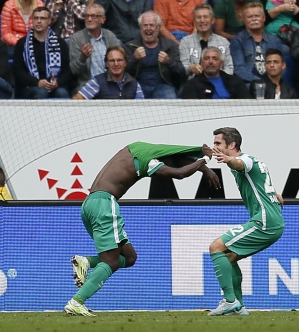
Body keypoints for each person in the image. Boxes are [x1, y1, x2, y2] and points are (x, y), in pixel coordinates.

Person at [64, 141, 220, 316]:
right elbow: (178, 172)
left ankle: (86, 262)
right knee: (111, 261)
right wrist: (205, 159)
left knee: (129, 257)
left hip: (90, 204)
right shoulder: (150, 161)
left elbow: (176, 159)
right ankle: (77, 301)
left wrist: (203, 169)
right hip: (105, 205)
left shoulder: (135, 149)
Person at [208, 127, 284, 316]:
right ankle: (238, 307)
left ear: (232, 145)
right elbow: (279, 197)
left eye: (218, 143)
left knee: (215, 247)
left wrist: (229, 160)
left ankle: (229, 301)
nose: (215, 147)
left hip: (264, 222)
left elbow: (239, 163)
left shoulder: (245, 160)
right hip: (272, 221)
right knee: (229, 258)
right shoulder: (257, 162)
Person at [13, 6, 72, 99]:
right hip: (30, 86)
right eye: (36, 18)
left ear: (49, 21)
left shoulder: (60, 43)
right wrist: (37, 82)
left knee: (62, 93)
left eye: (42, 18)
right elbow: (18, 72)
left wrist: (57, 83)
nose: (39, 21)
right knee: (42, 92)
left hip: (55, 85)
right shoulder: (22, 43)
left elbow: (67, 71)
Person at [125, 11, 185, 99]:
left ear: (158, 28)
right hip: (138, 85)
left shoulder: (170, 45)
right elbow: (122, 71)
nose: (148, 28)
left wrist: (168, 61)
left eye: (152, 25)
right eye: (145, 25)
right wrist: (134, 58)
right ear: (140, 27)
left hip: (163, 86)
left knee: (171, 102)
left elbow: (181, 72)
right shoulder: (130, 46)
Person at [68, 4, 121, 93]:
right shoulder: (76, 38)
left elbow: (120, 62)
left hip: (110, 83)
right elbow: (73, 70)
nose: (89, 19)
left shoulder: (110, 36)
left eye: (94, 16)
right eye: (87, 16)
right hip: (87, 85)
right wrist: (82, 58)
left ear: (103, 19)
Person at [230, 2, 286, 87]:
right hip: (249, 84)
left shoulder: (275, 40)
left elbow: (282, 66)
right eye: (250, 17)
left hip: (272, 82)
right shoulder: (237, 41)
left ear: (263, 18)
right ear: (244, 20)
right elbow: (239, 69)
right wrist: (260, 82)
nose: (254, 19)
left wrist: (272, 81)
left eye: (257, 16)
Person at [180, 4, 234, 79]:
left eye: (205, 17)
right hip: (194, 84)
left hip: (219, 82)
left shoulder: (223, 42)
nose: (202, 20)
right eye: (199, 17)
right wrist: (191, 68)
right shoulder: (185, 42)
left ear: (213, 20)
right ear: (194, 21)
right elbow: (182, 69)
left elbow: (229, 69)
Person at [73, 46, 144, 99]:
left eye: (119, 60)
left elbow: (141, 109)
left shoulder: (134, 84)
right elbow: (76, 101)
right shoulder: (97, 82)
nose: (116, 64)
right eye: (112, 61)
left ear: (125, 63)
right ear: (107, 64)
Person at [182, 47, 251, 99]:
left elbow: (247, 104)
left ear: (221, 64)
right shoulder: (191, 85)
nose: (210, 62)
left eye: (215, 59)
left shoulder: (236, 82)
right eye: (206, 58)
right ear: (201, 63)